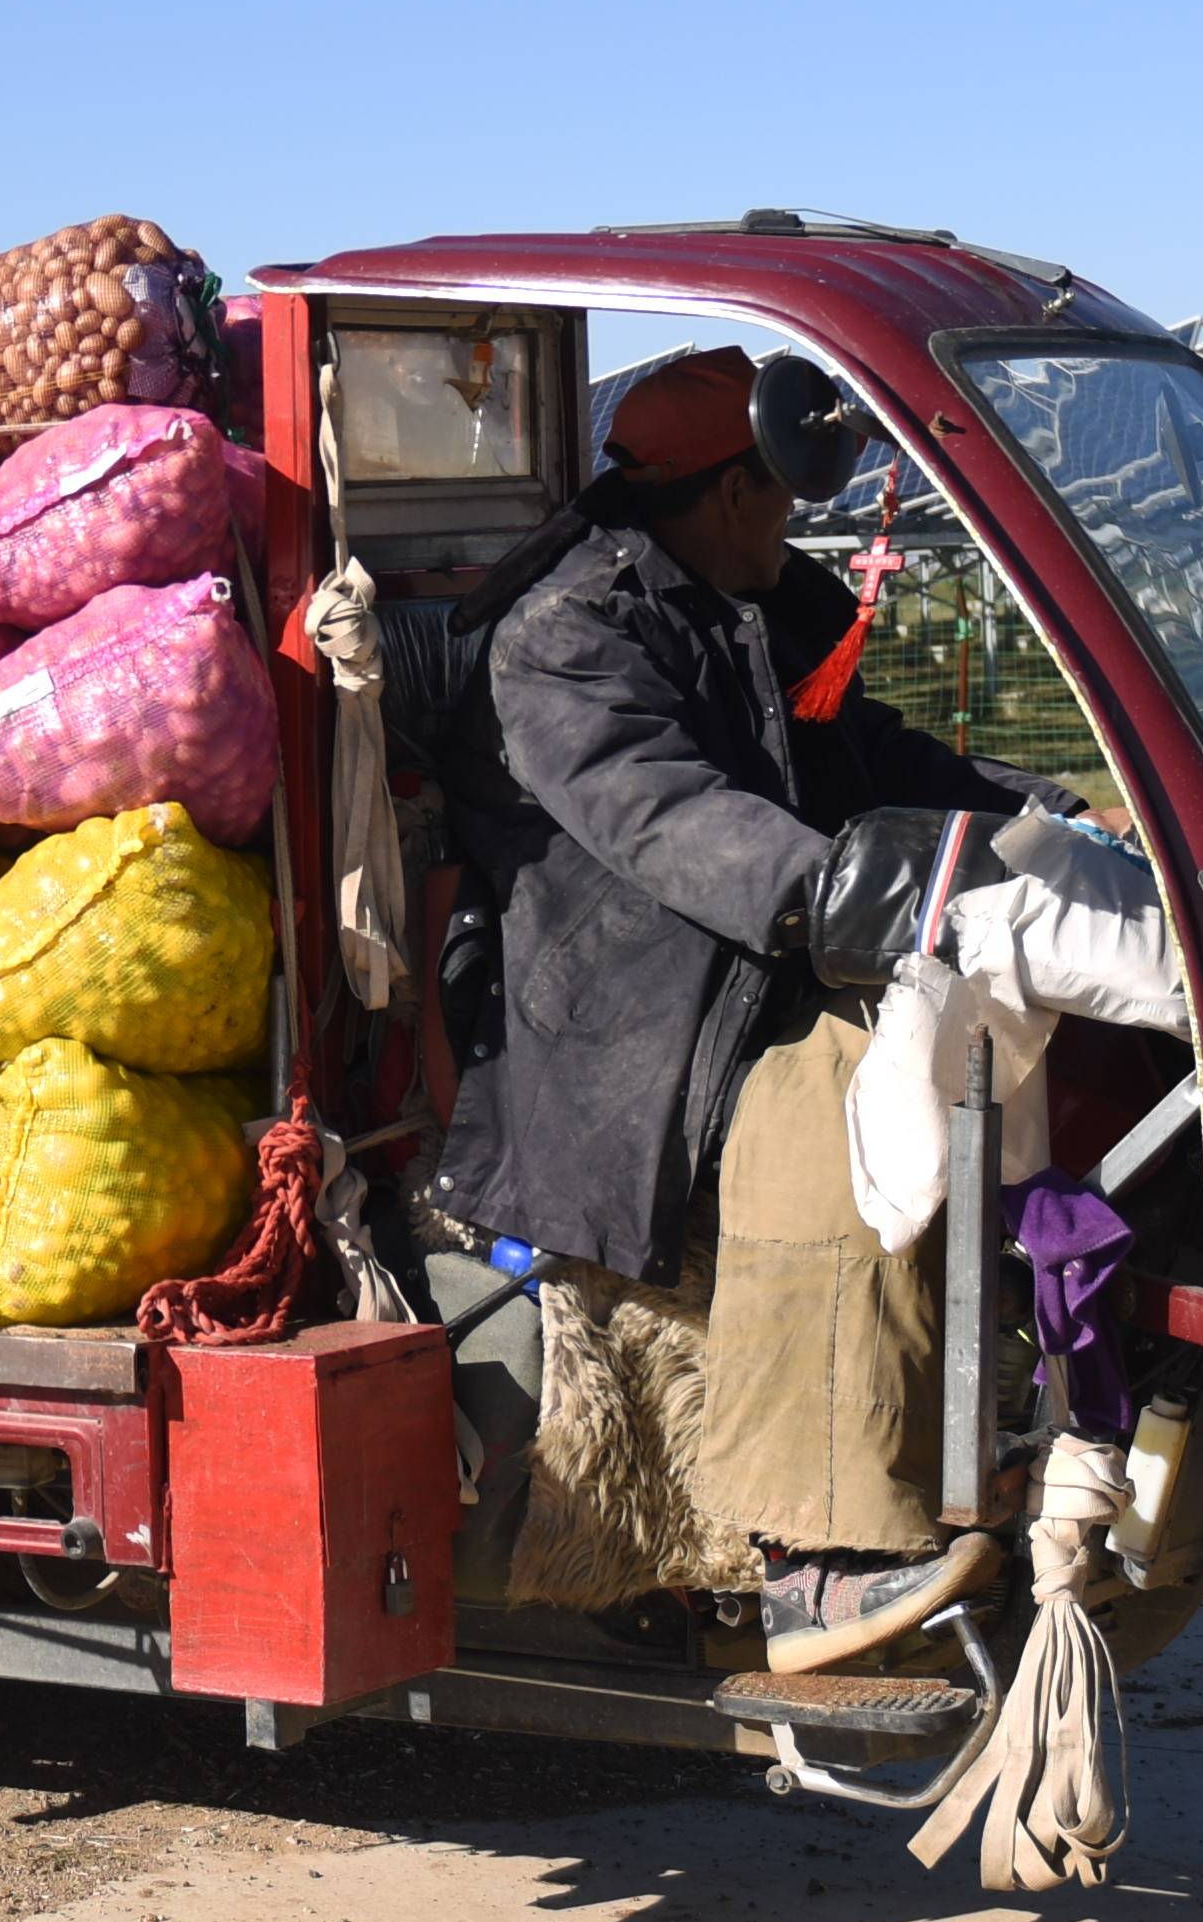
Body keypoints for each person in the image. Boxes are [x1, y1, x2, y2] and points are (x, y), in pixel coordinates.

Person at [431, 343, 1031, 1675]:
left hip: (745, 970)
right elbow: (668, 818)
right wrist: (839, 894)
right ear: (720, 489)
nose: (797, 517)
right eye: (777, 491)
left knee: (990, 1054)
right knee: (843, 1108)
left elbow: (861, 755)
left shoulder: (760, 601)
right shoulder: (565, 638)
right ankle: (813, 1563)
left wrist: (1027, 815)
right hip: (619, 1024)